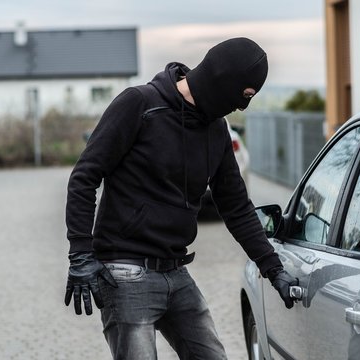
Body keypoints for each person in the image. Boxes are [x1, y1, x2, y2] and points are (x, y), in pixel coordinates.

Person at [64, 37, 298, 359]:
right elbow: (84, 177)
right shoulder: (140, 104)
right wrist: (80, 254)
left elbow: (236, 207)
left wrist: (274, 269)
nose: (243, 107)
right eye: (243, 96)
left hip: (176, 270)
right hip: (125, 270)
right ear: (221, 79)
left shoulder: (216, 130)